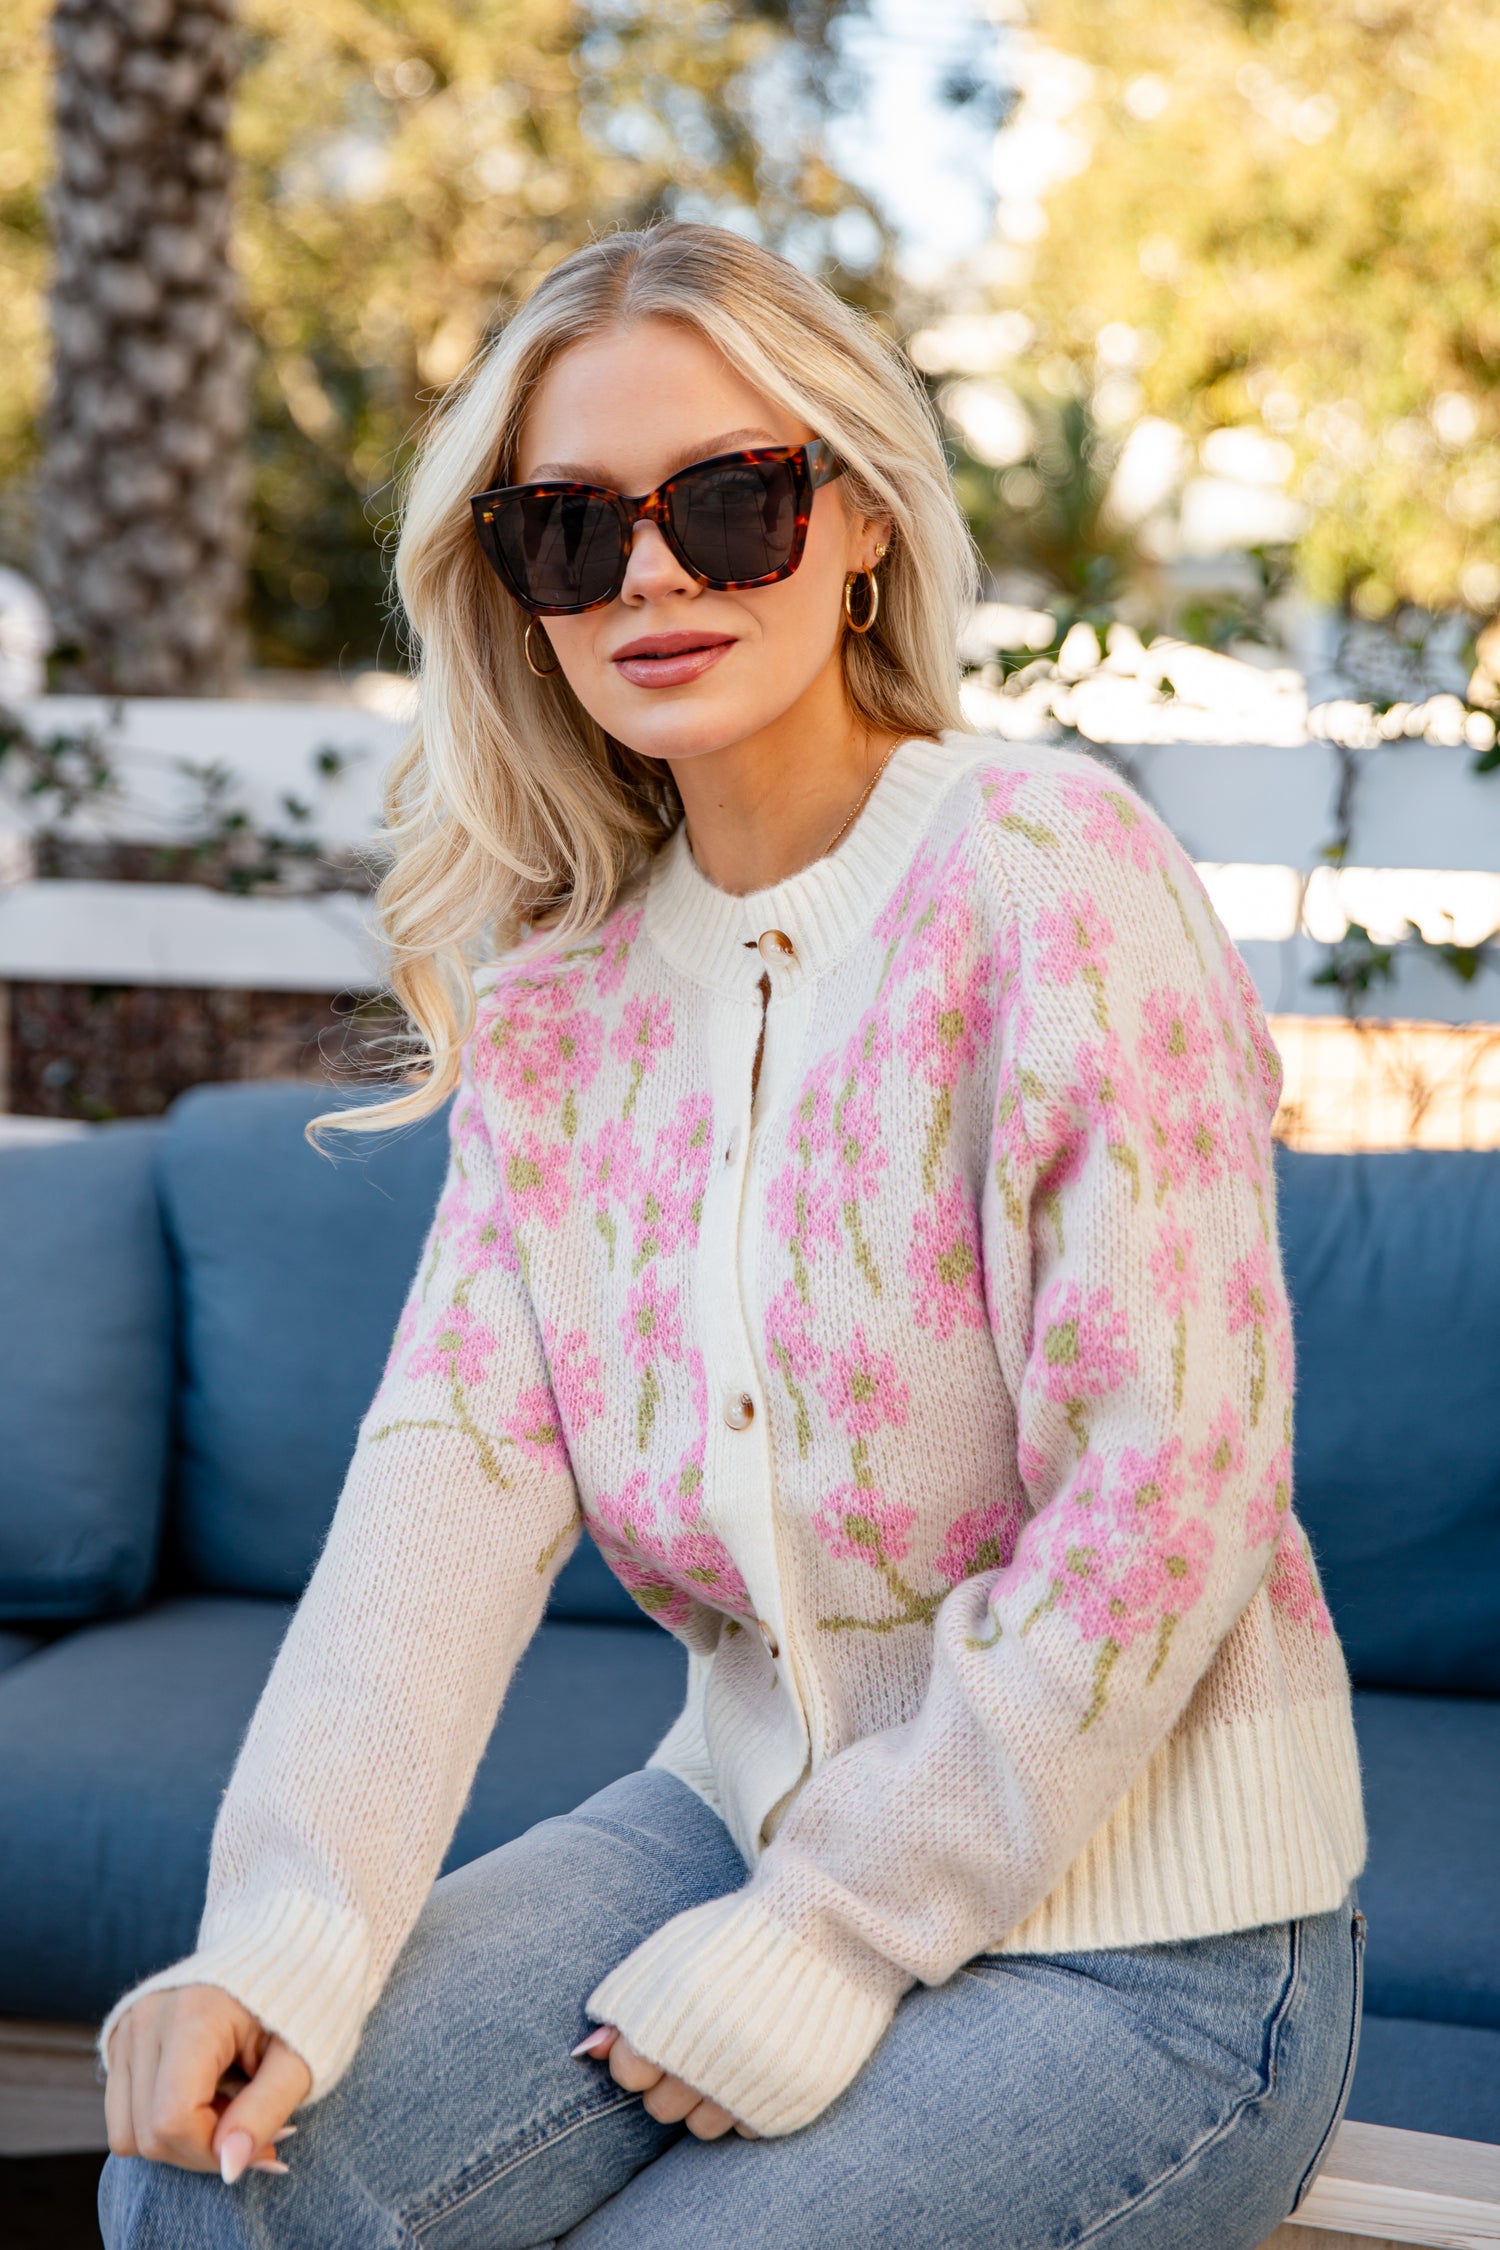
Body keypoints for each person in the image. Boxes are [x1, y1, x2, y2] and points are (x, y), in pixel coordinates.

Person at [98, 222, 1366, 2249]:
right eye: (570, 531)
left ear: (853, 516)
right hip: (730, 1826)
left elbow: (1172, 1488)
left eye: (731, 500)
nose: (658, 576)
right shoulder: (561, 1004)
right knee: (218, 2190)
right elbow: (435, 1499)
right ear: (512, 588)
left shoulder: (1048, 872)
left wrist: (837, 1926)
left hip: (1155, 1942)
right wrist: (277, 1938)